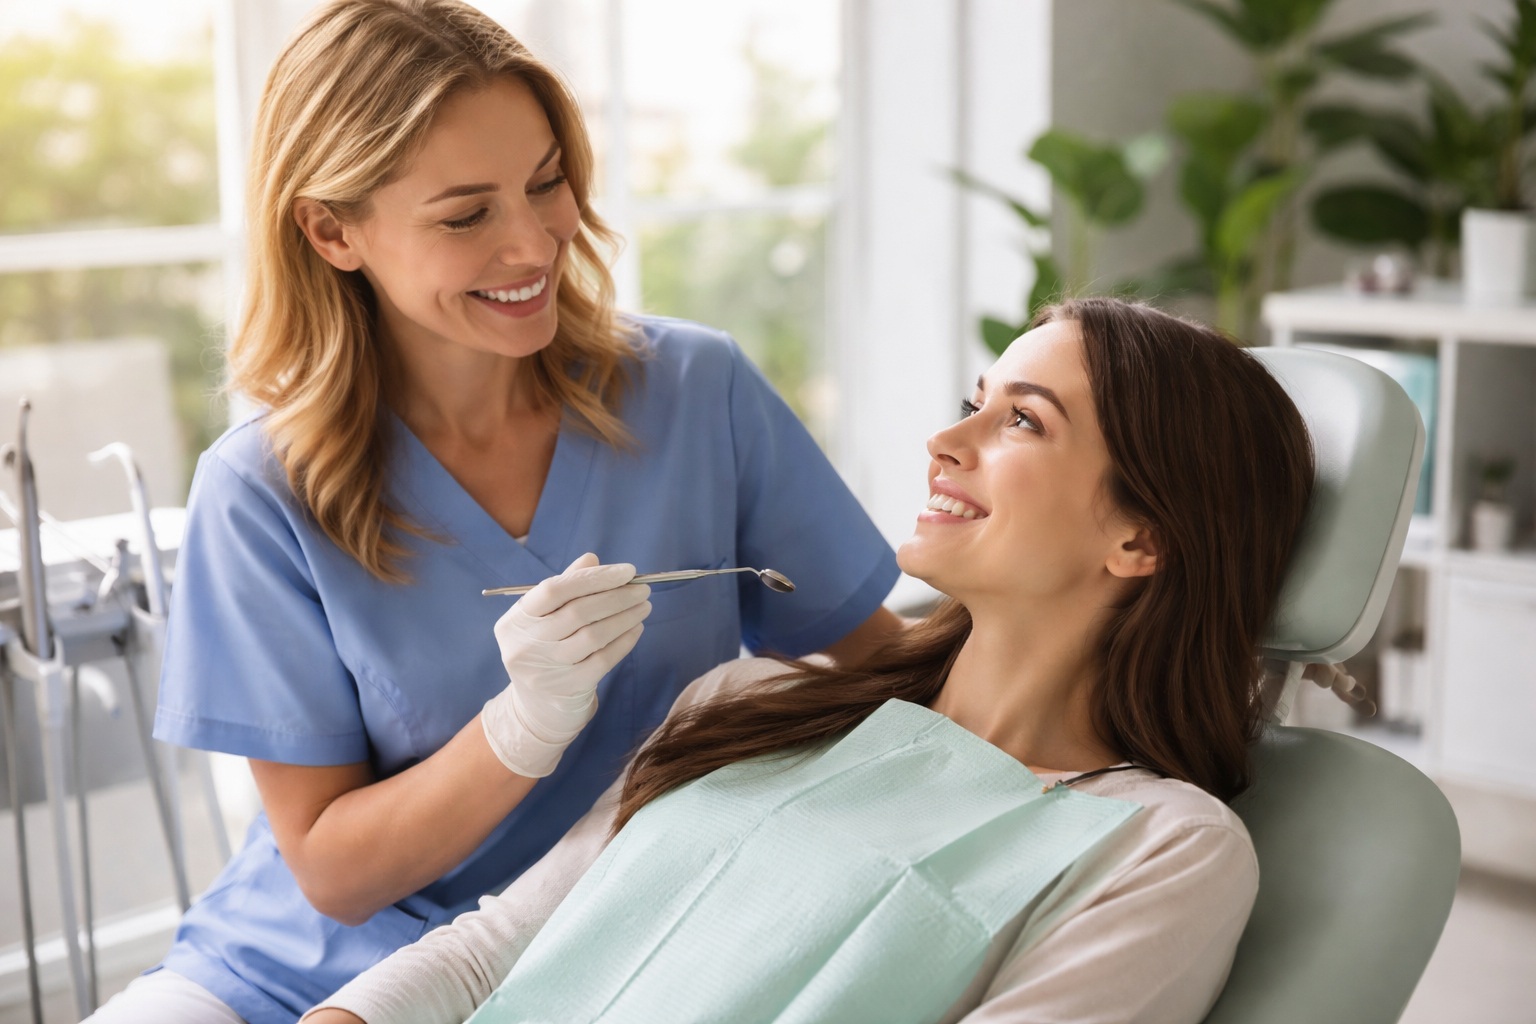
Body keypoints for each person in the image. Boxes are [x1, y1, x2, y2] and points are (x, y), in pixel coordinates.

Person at [89, 2, 903, 1021]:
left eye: (547, 183)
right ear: (333, 229)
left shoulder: (699, 392)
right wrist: (522, 728)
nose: (532, 243)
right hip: (303, 972)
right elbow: (334, 873)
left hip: (619, 947)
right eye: (466, 214)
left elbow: (888, 668)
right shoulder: (263, 490)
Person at [300, 297, 1318, 1024]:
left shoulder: (1162, 846)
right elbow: (497, 951)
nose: (946, 439)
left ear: (1139, 539)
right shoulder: (748, 701)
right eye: (976, 397)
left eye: (1020, 420)